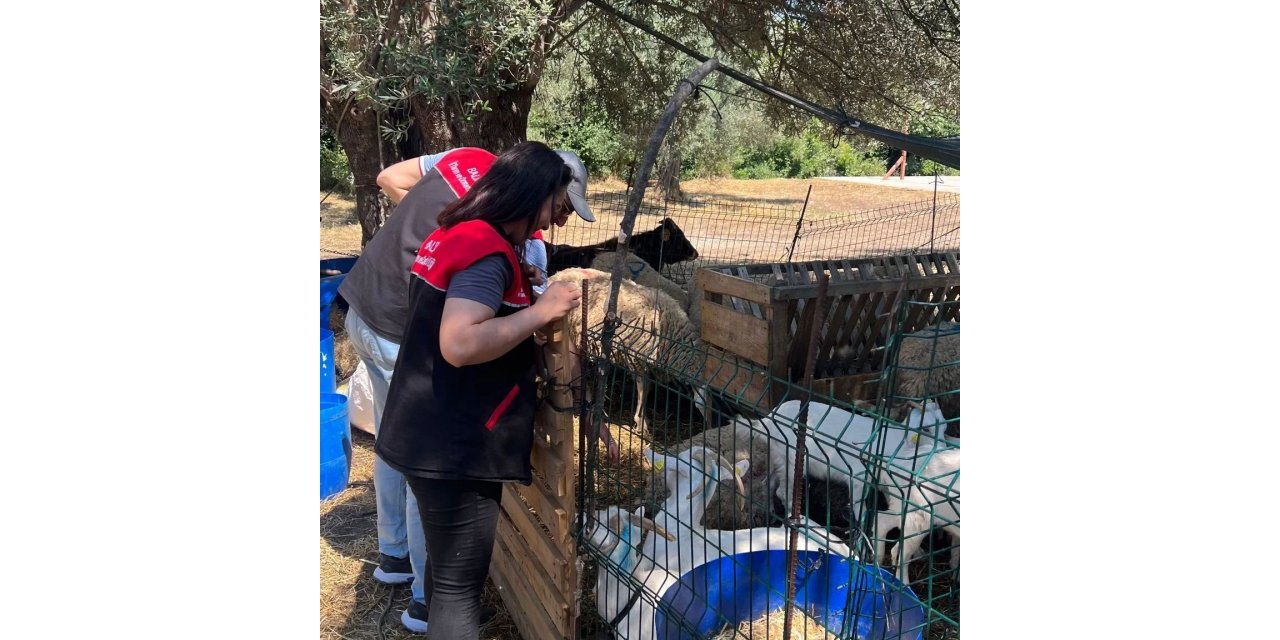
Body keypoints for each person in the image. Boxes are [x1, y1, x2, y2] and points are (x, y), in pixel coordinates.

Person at [338, 145, 594, 633]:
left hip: (424, 427)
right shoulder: (486, 252)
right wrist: (540, 311)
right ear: (533, 192)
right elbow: (458, 342)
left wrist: (517, 287)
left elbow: (456, 304)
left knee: (443, 578)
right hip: (453, 445)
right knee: (458, 592)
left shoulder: (461, 233)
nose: (556, 223)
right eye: (556, 205)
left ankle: (407, 574)